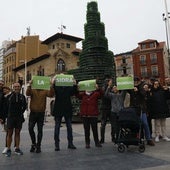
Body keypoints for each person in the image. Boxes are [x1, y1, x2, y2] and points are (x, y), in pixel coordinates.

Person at [26, 80, 54, 153]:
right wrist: (29, 85)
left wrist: (51, 86)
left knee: (40, 130)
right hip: (33, 113)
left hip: (41, 113)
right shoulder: (32, 89)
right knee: (30, 128)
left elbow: (51, 95)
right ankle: (33, 143)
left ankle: (38, 145)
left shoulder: (45, 90)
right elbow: (27, 93)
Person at [52, 78, 78, 151]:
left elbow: (74, 92)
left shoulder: (69, 87)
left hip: (66, 108)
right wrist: (53, 83)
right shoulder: (57, 86)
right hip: (59, 108)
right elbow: (52, 91)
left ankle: (70, 143)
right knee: (57, 126)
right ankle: (57, 144)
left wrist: (75, 84)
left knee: (69, 127)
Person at [128, 77, 155, 146]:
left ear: (139, 81)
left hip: (142, 109)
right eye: (134, 81)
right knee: (135, 125)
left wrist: (138, 90)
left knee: (145, 124)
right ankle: (138, 138)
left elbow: (144, 94)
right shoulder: (131, 88)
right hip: (134, 109)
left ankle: (149, 139)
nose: (135, 82)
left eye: (137, 81)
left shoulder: (142, 87)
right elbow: (125, 90)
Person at [77, 82, 103, 148]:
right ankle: (87, 143)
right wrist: (77, 88)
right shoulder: (83, 94)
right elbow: (77, 95)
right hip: (85, 115)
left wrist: (98, 88)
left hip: (93, 115)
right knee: (86, 130)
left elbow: (102, 95)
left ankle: (96, 142)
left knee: (95, 130)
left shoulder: (96, 94)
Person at [5, 82, 27, 157]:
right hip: (10, 117)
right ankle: (8, 149)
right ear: (13, 87)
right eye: (15, 86)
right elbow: (6, 107)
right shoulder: (9, 96)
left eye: (18, 86)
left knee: (17, 133)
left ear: (20, 87)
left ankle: (17, 148)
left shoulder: (22, 97)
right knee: (9, 133)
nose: (17, 88)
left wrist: (20, 114)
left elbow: (24, 107)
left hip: (19, 118)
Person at [99, 77, 113, 143]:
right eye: (110, 81)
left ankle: (112, 137)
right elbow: (105, 95)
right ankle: (103, 138)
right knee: (104, 123)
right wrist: (109, 87)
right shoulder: (105, 88)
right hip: (105, 108)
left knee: (109, 123)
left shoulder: (110, 88)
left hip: (108, 107)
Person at [1, 86, 11, 154]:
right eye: (3, 90)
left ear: (8, 90)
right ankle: (7, 147)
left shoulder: (12, 95)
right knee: (8, 133)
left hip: (13, 117)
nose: (4, 91)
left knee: (16, 133)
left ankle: (16, 147)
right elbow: (2, 108)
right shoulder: (3, 97)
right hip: (6, 117)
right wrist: (2, 117)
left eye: (5, 89)